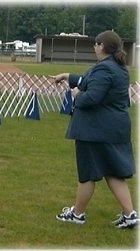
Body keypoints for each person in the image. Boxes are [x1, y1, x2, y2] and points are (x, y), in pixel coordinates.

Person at [52, 30, 138, 229]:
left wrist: (76, 95)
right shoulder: (117, 67)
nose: (94, 47)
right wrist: (67, 76)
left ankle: (77, 214)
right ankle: (130, 214)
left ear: (101, 46)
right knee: (113, 172)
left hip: (95, 130)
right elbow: (88, 81)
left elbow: (92, 96)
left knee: (88, 173)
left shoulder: (104, 69)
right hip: (113, 129)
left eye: (96, 44)